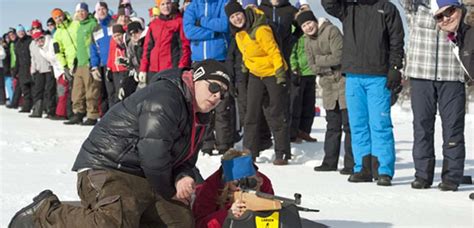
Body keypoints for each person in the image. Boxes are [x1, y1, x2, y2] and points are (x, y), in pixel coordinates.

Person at [8, 59, 231, 228]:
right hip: (107, 167)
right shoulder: (166, 97)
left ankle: (106, 211)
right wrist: (170, 190)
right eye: (213, 87)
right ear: (196, 78)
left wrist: (184, 174)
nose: (217, 97)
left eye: (223, 94)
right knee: (115, 222)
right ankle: (46, 213)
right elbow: (153, 155)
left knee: (181, 221)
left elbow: (185, 159)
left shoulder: (200, 116)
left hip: (146, 177)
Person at [322, 0, 405, 186]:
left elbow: (397, 40)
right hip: (353, 76)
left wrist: (395, 67)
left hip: (378, 76)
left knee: (380, 124)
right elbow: (328, 3)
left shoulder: (387, 8)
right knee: (357, 125)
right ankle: (363, 168)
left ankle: (383, 169)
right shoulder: (348, 7)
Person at [404, 0, 471, 191]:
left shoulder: (454, 6)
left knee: (453, 128)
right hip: (421, 74)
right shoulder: (414, 7)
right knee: (422, 127)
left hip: (452, 73)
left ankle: (451, 177)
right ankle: (423, 175)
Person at [226, 0, 291, 165]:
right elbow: (246, 53)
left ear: (243, 13)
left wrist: (280, 74)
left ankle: (282, 153)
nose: (236, 19)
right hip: (256, 73)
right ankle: (250, 152)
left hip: (273, 72)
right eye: (232, 17)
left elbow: (274, 51)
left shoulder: (261, 29)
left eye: (237, 14)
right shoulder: (239, 33)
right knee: (251, 113)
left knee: (275, 112)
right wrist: (244, 67)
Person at [295, 10, 354, 174]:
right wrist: (324, 64)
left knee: (348, 125)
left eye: (309, 23)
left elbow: (339, 57)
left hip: (342, 81)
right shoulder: (306, 41)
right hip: (327, 84)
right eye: (304, 26)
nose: (308, 27)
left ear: (314, 21)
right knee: (332, 125)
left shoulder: (331, 31)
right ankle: (329, 162)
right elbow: (311, 66)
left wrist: (320, 60)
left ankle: (351, 163)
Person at [193, 149, 274, 228]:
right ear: (226, 184)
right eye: (236, 184)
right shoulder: (211, 187)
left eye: (250, 182)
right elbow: (200, 224)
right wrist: (227, 215)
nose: (242, 189)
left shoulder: (263, 183)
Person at [64, 2, 100, 126]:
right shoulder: (79, 26)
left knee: (91, 91)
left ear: (87, 12)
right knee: (77, 91)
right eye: (78, 12)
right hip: (79, 63)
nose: (81, 14)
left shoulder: (93, 25)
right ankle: (78, 113)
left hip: (88, 63)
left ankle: (92, 115)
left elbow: (95, 44)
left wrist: (93, 61)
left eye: (83, 11)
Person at [139, 0, 191, 84]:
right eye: (162, 4)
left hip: (170, 68)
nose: (166, 6)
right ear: (159, 6)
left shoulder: (179, 22)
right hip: (153, 69)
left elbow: (185, 47)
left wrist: (181, 68)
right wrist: (143, 69)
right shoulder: (154, 24)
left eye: (168, 3)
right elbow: (147, 48)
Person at [289, 4, 317, 143]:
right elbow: (292, 52)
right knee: (295, 104)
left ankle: (304, 131)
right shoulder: (296, 34)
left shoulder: (313, 34)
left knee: (309, 105)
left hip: (312, 72)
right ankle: (293, 132)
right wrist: (294, 67)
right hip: (299, 73)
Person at [34, 30, 68, 120]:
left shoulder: (52, 43)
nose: (40, 41)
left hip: (63, 69)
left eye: (41, 38)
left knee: (62, 92)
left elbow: (59, 57)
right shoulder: (41, 50)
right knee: (60, 92)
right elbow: (52, 62)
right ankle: (60, 112)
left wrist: (64, 70)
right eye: (37, 40)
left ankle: (61, 113)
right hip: (57, 71)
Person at [51, 8, 79, 120]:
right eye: (56, 18)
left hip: (83, 59)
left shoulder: (75, 24)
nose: (59, 19)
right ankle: (71, 113)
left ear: (63, 15)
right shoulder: (57, 35)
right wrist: (65, 66)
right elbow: (58, 52)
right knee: (73, 90)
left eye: (59, 16)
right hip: (71, 64)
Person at [90, 1, 114, 114]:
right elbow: (93, 49)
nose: (102, 11)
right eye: (99, 10)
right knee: (103, 92)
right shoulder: (95, 29)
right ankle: (105, 117)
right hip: (103, 65)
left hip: (115, 63)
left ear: (107, 10)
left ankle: (115, 116)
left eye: (103, 9)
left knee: (113, 92)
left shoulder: (113, 24)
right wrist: (94, 66)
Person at [29, 21, 56, 118]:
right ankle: (37, 110)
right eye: (34, 28)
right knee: (38, 91)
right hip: (39, 70)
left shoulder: (46, 38)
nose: (36, 29)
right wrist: (33, 69)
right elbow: (33, 58)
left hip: (49, 69)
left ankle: (50, 110)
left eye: (37, 27)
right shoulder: (32, 44)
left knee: (49, 90)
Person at [106, 24, 129, 106]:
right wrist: (109, 68)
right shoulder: (113, 42)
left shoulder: (126, 43)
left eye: (119, 35)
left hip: (124, 70)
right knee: (114, 93)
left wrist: (125, 62)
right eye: (115, 36)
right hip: (115, 70)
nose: (117, 38)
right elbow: (110, 55)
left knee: (122, 93)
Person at [14, 24, 34, 113]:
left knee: (33, 88)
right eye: (19, 32)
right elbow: (17, 59)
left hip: (30, 67)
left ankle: (35, 106)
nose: (21, 33)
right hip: (22, 69)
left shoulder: (30, 41)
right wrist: (15, 71)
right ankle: (26, 107)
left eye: (22, 31)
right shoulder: (17, 44)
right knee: (25, 89)